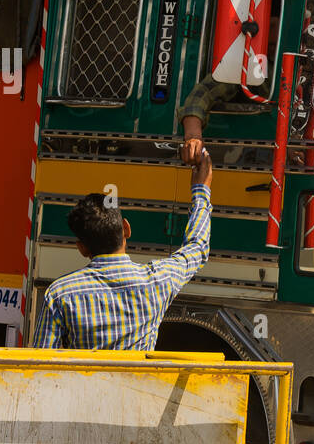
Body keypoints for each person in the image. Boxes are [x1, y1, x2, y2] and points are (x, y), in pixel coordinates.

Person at [33, 149, 212, 350]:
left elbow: (41, 366)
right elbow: (197, 247)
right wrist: (200, 190)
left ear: (82, 248)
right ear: (126, 228)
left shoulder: (60, 295)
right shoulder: (158, 281)